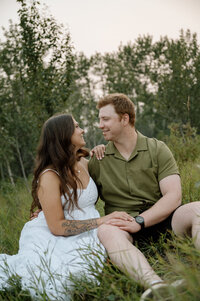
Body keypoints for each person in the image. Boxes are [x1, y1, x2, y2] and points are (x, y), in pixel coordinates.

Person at [0, 114, 133, 300]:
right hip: (56, 233)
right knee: (56, 274)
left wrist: (101, 149)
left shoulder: (84, 163)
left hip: (90, 229)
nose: (82, 129)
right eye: (77, 127)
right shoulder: (49, 175)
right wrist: (102, 220)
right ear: (64, 135)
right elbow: (57, 226)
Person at [88, 93, 200, 300]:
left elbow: (173, 196)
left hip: (164, 219)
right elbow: (82, 198)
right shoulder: (98, 160)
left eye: (105, 119)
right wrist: (43, 210)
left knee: (198, 209)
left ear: (124, 118)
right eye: (99, 119)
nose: (99, 125)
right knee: (105, 230)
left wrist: (141, 220)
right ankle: (157, 287)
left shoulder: (157, 149)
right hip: (123, 228)